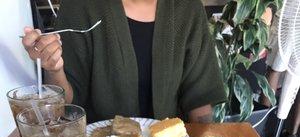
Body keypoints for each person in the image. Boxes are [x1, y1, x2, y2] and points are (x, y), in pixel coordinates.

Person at [22, 0, 226, 124]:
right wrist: (53, 68)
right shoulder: (80, 6)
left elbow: (199, 98)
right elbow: (67, 103)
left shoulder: (187, 9)